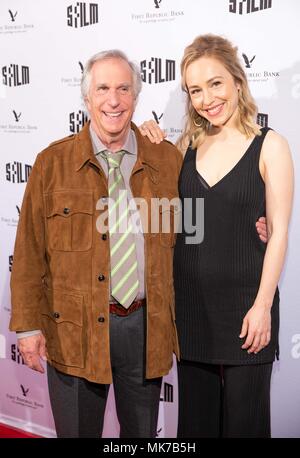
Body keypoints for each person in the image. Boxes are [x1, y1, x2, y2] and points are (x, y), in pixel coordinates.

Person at [9, 49, 183, 438]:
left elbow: (195, 231)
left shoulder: (166, 161)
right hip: (74, 331)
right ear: (87, 98)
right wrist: (26, 328)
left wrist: (257, 225)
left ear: (135, 98)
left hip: (144, 330)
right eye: (103, 88)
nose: (114, 100)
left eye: (123, 89)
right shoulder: (51, 163)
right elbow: (29, 253)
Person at [140, 34, 294, 438]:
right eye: (195, 90)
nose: (207, 98)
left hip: (247, 310)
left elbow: (277, 235)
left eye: (215, 83)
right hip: (191, 311)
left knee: (247, 425)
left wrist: (262, 306)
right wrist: (147, 143)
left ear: (237, 82)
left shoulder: (270, 145)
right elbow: (160, 216)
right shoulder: (185, 145)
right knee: (195, 426)